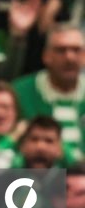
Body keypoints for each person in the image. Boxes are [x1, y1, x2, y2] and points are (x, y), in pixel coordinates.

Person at [13, 25, 85, 157]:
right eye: (61, 50)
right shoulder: (19, 92)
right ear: (46, 56)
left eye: (76, 50)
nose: (69, 57)